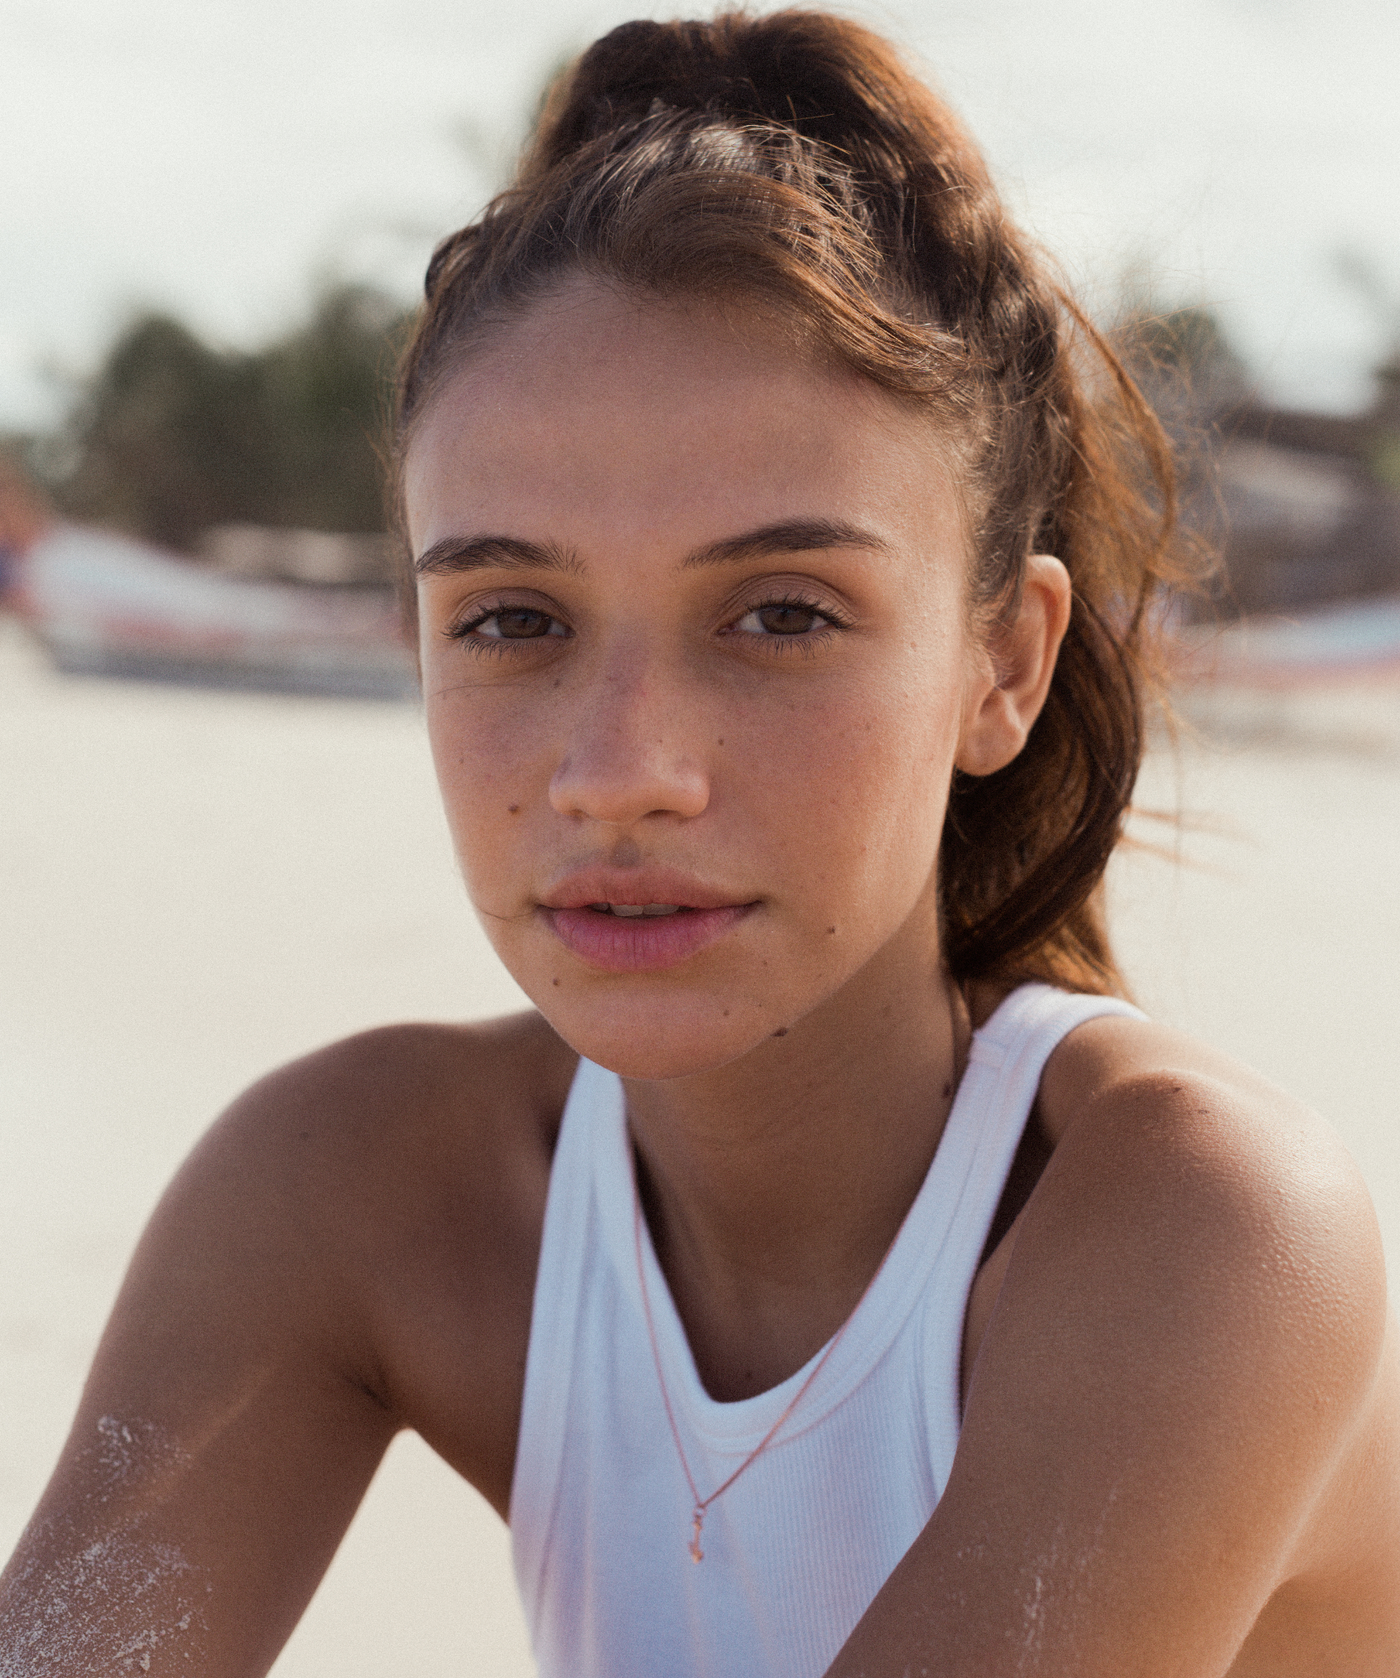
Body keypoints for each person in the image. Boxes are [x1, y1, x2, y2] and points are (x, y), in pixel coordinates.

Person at [3, 10, 1398, 1675]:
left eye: (783, 613)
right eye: (515, 616)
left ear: (1003, 663)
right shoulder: (355, 1193)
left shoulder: (1201, 1229)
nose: (623, 772)